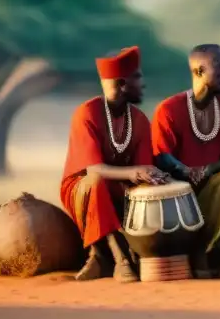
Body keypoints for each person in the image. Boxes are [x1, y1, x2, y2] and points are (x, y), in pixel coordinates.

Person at [60, 46, 169, 283]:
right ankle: (120, 259)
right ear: (122, 84)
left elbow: (142, 169)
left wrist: (154, 176)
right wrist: (134, 172)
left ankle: (99, 256)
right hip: (82, 188)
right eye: (138, 77)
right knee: (98, 181)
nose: (143, 83)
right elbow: (93, 169)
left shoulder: (139, 119)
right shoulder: (87, 113)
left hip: (120, 186)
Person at [151, 44, 220, 282]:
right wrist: (187, 172)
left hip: (214, 196)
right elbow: (161, 157)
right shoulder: (169, 110)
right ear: (199, 71)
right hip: (178, 202)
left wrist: (206, 172)